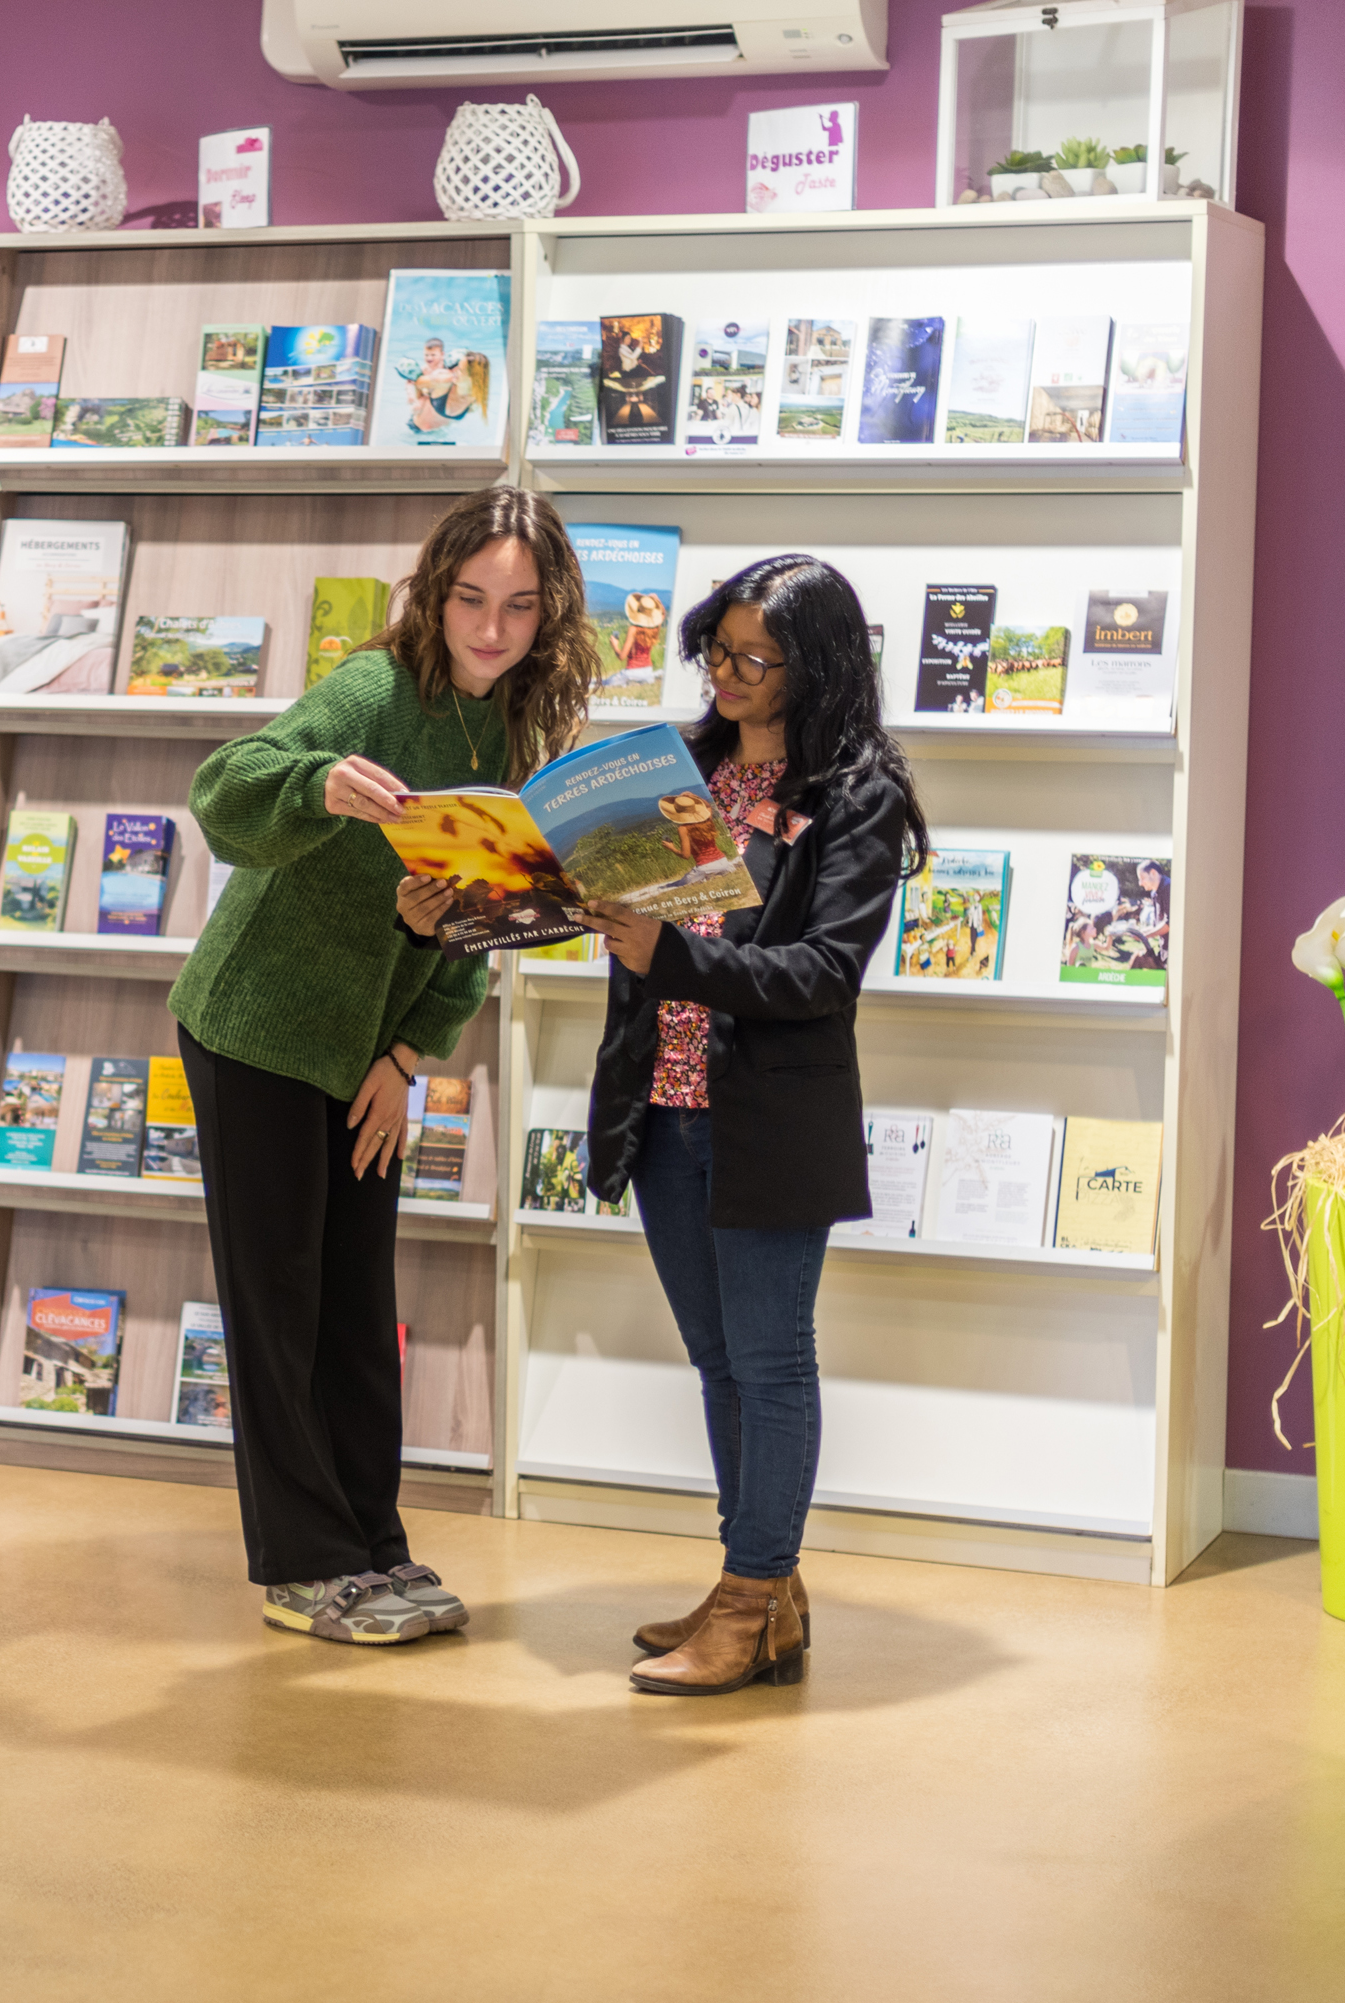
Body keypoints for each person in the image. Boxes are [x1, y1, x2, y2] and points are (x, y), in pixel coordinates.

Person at [171, 485, 601, 1645]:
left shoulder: (512, 730)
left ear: (548, 611)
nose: (492, 629)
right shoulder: (372, 689)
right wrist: (315, 785)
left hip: (364, 1051)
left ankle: (377, 1544)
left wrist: (407, 1055)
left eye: (519, 606)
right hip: (256, 1025)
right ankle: (306, 1564)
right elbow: (222, 795)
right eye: (470, 599)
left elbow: (483, 920)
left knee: (357, 1305)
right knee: (280, 1303)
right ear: (436, 592)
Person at [585, 553, 929, 1697]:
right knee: (717, 1359)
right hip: (662, 1104)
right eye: (716, 651)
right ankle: (762, 1588)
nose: (726, 676)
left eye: (755, 659)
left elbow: (825, 970)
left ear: (815, 667)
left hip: (770, 1116)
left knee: (773, 1363)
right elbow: (635, 930)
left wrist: (671, 949)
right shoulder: (676, 766)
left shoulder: (856, 795)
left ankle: (750, 1598)